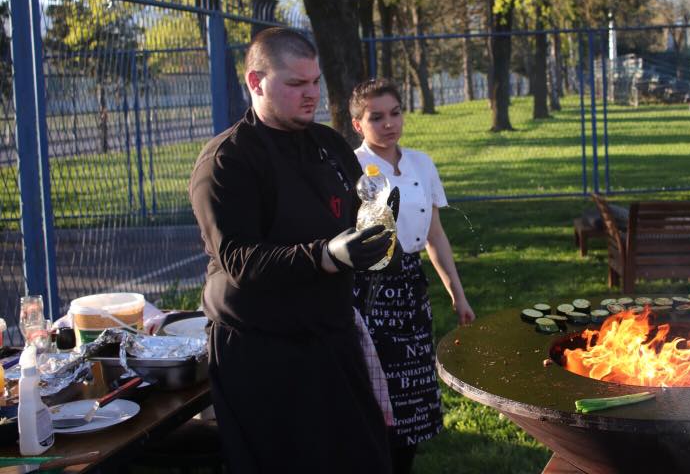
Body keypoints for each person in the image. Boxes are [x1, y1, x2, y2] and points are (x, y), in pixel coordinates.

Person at [190, 28, 397, 473]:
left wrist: (374, 227)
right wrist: (328, 255)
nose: (311, 95)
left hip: (332, 337)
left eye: (315, 82)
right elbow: (241, 261)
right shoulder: (228, 160)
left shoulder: (330, 146)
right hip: (263, 352)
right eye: (296, 84)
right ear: (255, 82)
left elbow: (357, 213)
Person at [349, 78, 476, 474]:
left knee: (413, 401)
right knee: (376, 397)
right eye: (376, 117)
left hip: (411, 291)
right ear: (358, 124)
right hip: (370, 292)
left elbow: (435, 233)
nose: (389, 124)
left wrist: (458, 294)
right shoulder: (351, 166)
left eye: (395, 113)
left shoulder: (421, 162)